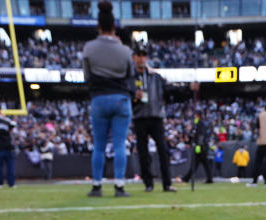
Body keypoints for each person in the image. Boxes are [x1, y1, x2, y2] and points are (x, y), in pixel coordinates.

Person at [82, 1, 134, 197]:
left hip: (99, 99)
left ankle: (97, 185)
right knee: (120, 144)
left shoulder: (89, 48)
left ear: (98, 26)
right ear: (114, 27)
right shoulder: (125, 51)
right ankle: (119, 186)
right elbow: (130, 74)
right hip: (121, 99)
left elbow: (86, 76)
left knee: (99, 145)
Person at [131, 44, 175, 192]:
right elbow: (125, 96)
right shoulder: (130, 78)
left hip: (156, 117)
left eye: (144, 55)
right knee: (143, 152)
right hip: (139, 117)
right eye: (139, 55)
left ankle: (167, 184)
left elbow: (170, 90)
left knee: (163, 150)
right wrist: (133, 97)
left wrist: (188, 89)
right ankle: (148, 183)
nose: (141, 58)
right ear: (134, 58)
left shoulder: (156, 77)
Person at [183, 111, 214, 184]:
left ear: (197, 115)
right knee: (201, 163)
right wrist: (189, 139)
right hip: (200, 146)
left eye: (195, 115)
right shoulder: (196, 124)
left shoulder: (200, 123)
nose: (194, 117)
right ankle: (209, 179)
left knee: (196, 163)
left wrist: (199, 145)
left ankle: (186, 178)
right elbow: (195, 135)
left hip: (201, 146)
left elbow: (201, 135)